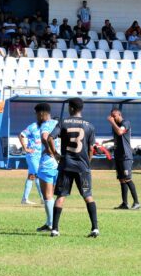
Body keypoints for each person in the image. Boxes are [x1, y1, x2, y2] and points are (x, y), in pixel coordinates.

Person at [49, 98, 99, 238]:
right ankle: (95, 228)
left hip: (66, 165)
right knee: (88, 196)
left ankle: (55, 229)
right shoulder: (89, 126)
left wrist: (56, 155)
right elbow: (91, 148)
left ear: (70, 108)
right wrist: (87, 162)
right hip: (82, 166)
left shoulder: (63, 122)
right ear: (81, 109)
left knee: (61, 196)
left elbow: (49, 138)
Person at [108, 109, 141, 210]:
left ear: (119, 114)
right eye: (111, 116)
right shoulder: (115, 126)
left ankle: (136, 202)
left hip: (126, 156)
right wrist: (106, 141)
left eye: (114, 116)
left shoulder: (125, 123)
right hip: (118, 155)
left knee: (127, 179)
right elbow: (117, 137)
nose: (113, 118)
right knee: (122, 180)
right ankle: (125, 203)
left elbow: (120, 132)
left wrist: (112, 122)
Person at [34, 103, 59, 232]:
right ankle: (52, 223)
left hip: (47, 163)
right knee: (54, 195)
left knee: (48, 196)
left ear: (41, 114)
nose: (36, 117)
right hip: (59, 164)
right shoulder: (57, 123)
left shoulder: (45, 124)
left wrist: (49, 150)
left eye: (37, 114)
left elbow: (45, 137)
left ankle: (50, 224)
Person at [18, 117, 45, 206]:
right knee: (38, 175)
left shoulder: (46, 127)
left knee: (31, 176)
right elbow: (21, 135)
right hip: (32, 155)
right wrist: (25, 147)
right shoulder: (33, 126)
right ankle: (43, 198)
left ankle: (24, 199)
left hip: (40, 155)